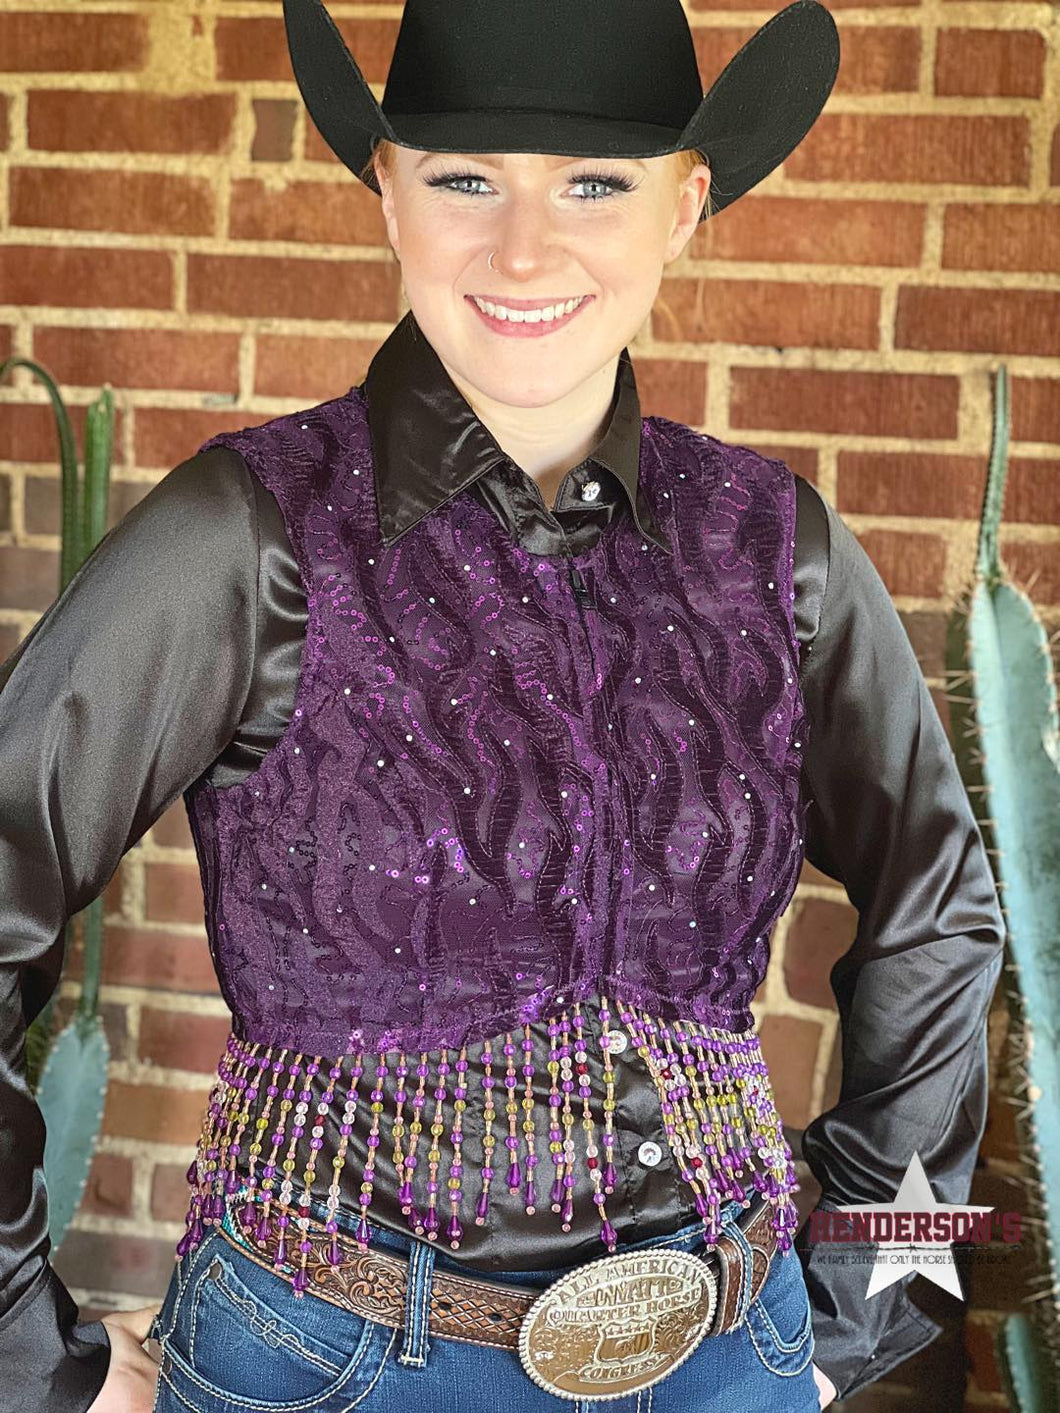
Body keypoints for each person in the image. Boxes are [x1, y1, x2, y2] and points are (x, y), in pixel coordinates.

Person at [0, 1, 1006, 1410]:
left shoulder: (781, 548)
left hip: (741, 1353)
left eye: (594, 184)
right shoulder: (247, 534)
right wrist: (25, 1362)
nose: (525, 249)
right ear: (386, 188)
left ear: (688, 203)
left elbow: (947, 908)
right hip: (331, 1363)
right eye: (466, 178)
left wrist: (863, 1306)